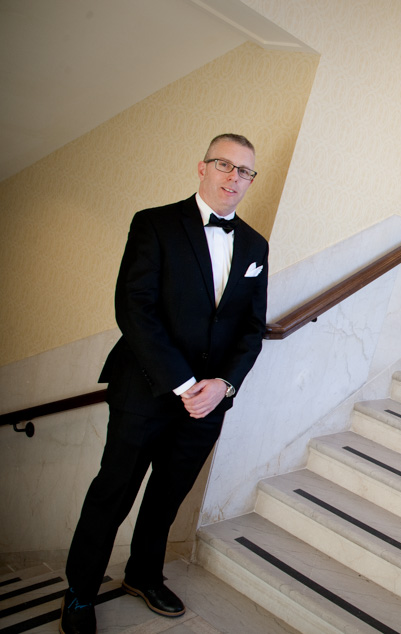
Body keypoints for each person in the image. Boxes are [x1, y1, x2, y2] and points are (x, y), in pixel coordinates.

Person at [60, 134, 269, 634]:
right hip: (146, 390)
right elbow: (135, 308)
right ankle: (80, 593)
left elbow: (251, 328)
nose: (234, 177)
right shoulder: (154, 223)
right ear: (202, 167)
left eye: (244, 171)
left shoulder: (256, 245)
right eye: (224, 165)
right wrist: (184, 382)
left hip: (208, 404)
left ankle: (143, 575)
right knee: (113, 493)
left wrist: (224, 385)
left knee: (166, 497)